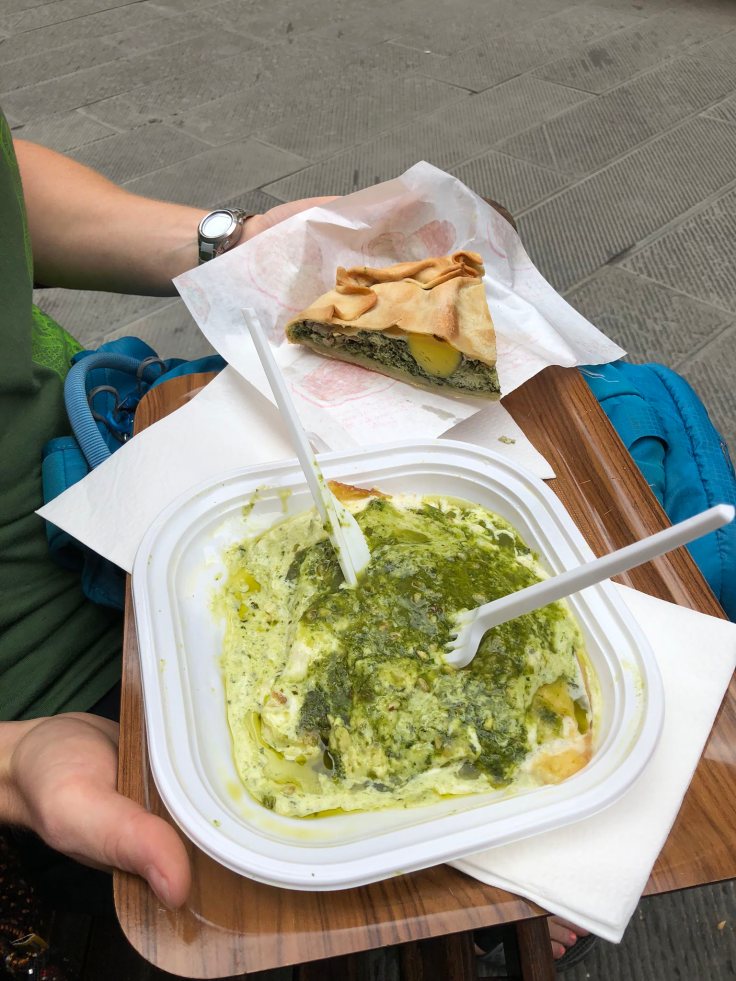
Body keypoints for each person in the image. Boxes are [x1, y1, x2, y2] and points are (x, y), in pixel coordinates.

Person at [0, 108, 589, 968]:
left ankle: (488, 872)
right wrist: (13, 761)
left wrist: (237, 243)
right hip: (52, 690)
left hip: (103, 457)